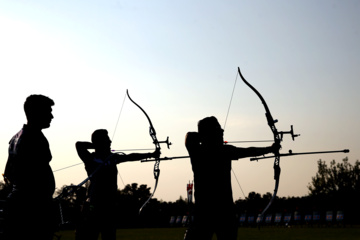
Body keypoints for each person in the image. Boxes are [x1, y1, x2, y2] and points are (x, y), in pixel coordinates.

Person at [184, 116, 280, 240]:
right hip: (215, 213)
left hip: (214, 213)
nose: (222, 131)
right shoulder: (220, 151)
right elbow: (249, 151)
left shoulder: (197, 150)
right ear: (210, 133)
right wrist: (271, 149)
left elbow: (249, 151)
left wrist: (270, 149)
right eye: (218, 129)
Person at [75, 129, 160, 240]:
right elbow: (78, 145)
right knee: (90, 235)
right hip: (94, 205)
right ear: (100, 142)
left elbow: (130, 156)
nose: (110, 141)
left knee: (109, 236)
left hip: (109, 206)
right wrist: (98, 145)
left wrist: (151, 154)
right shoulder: (90, 158)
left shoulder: (112, 158)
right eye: (107, 139)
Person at [3, 94, 56, 240]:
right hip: (31, 209)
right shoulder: (33, 137)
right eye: (48, 111)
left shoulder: (16, 137)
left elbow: (8, 173)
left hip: (19, 204)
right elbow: (36, 176)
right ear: (35, 112)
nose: (52, 116)